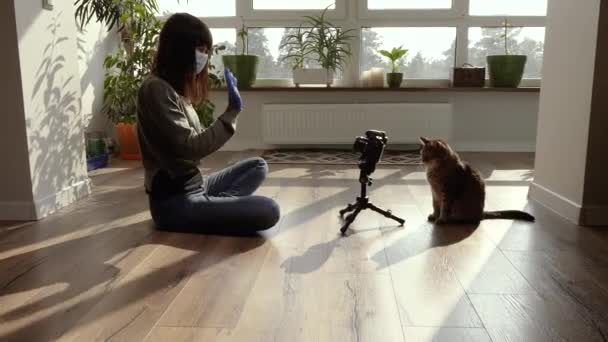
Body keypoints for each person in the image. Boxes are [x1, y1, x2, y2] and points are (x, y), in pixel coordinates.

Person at [137, 13, 280, 235]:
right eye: (200, 49)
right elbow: (191, 148)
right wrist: (231, 113)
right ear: (179, 49)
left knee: (258, 165)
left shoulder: (174, 90)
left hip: (197, 184)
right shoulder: (155, 89)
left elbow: (194, 145)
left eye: (206, 51)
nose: (204, 56)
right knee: (269, 210)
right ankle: (213, 209)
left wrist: (231, 114)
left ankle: (213, 208)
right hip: (174, 202)